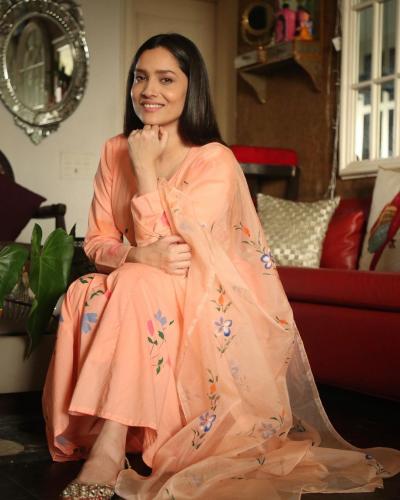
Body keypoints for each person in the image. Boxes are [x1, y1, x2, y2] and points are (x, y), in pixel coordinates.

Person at [43, 33, 400, 500]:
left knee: (136, 284)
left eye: (166, 79)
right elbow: (99, 241)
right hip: (142, 278)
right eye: (140, 78)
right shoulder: (115, 150)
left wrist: (145, 169)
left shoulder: (214, 160)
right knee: (100, 288)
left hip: (201, 290)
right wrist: (133, 255)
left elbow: (173, 252)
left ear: (191, 88)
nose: (149, 90)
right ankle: (119, 434)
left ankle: (110, 444)